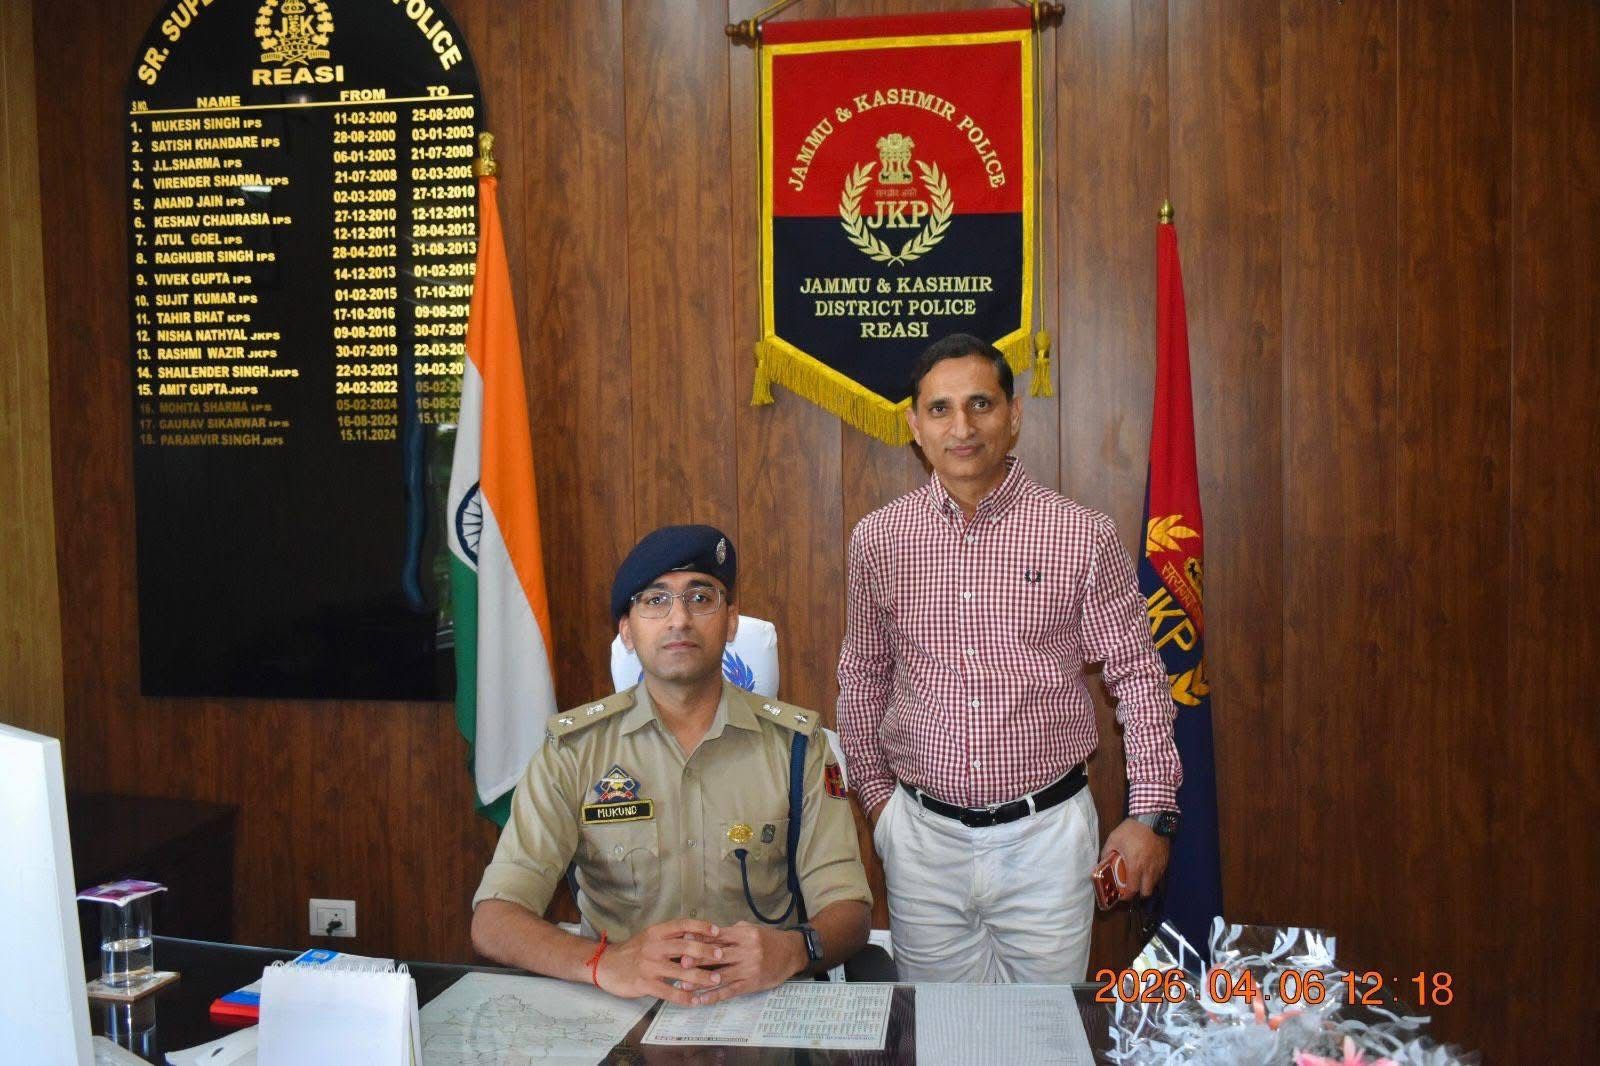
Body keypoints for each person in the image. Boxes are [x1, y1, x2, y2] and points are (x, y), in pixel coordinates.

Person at [837, 333, 1183, 983]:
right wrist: (882, 807)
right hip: (922, 843)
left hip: (1046, 841)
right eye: (940, 409)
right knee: (936, 1030)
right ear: (914, 427)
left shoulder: (1081, 535)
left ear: (1014, 414)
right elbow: (863, 674)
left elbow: (1138, 675)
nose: (961, 427)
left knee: (1044, 1031)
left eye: (981, 404)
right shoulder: (879, 539)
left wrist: (1150, 814)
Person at [472, 524, 872, 1006]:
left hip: (759, 1003)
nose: (679, 619)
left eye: (700, 598)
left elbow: (849, 910)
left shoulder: (798, 748)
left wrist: (793, 950)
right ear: (627, 630)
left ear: (730, 622)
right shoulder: (574, 752)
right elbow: (494, 919)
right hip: (620, 1004)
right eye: (655, 601)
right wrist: (603, 963)